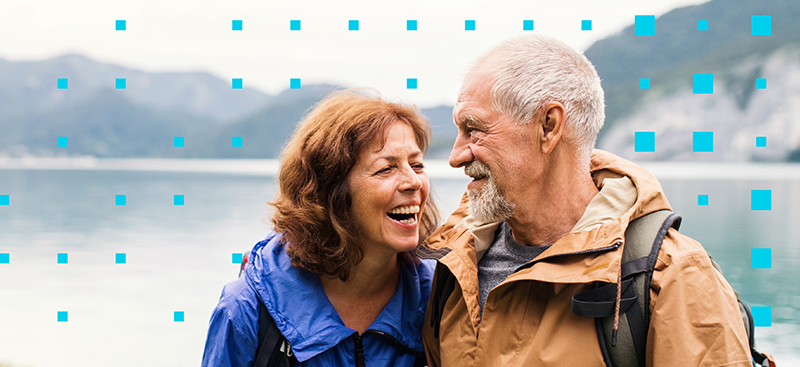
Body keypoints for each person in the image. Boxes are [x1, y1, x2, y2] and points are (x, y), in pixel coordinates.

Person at [418, 35, 753, 366]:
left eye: (473, 129)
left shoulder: (672, 276)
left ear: (548, 126)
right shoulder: (453, 264)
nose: (455, 156)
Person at [202, 90, 439, 367]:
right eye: (386, 169)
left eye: (417, 164)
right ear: (331, 191)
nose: (414, 182)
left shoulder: (443, 300)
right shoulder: (246, 311)